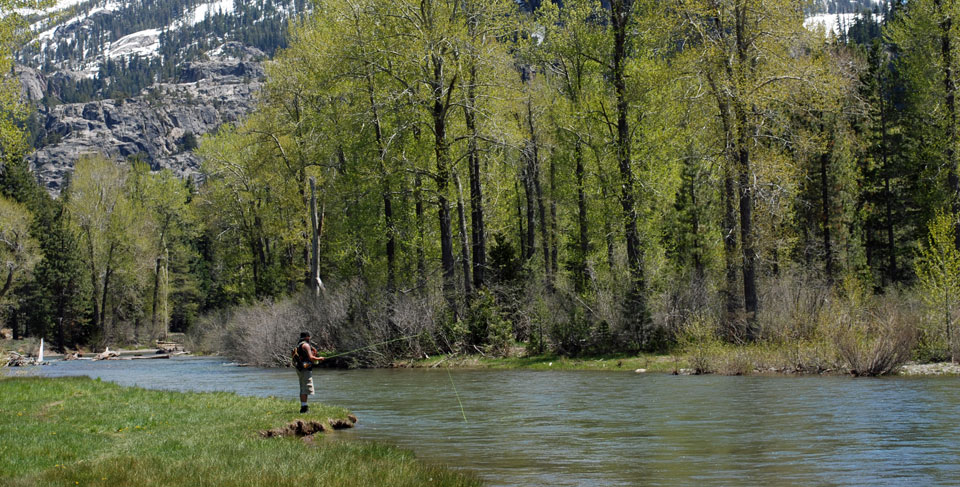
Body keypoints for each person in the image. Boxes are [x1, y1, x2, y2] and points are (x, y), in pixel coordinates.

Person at [295, 331, 324, 413]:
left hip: (300, 368)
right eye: (309, 337)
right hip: (305, 369)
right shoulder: (306, 345)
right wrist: (320, 358)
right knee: (305, 387)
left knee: (302, 387)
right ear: (307, 337)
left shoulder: (299, 344)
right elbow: (311, 358)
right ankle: (304, 408)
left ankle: (304, 406)